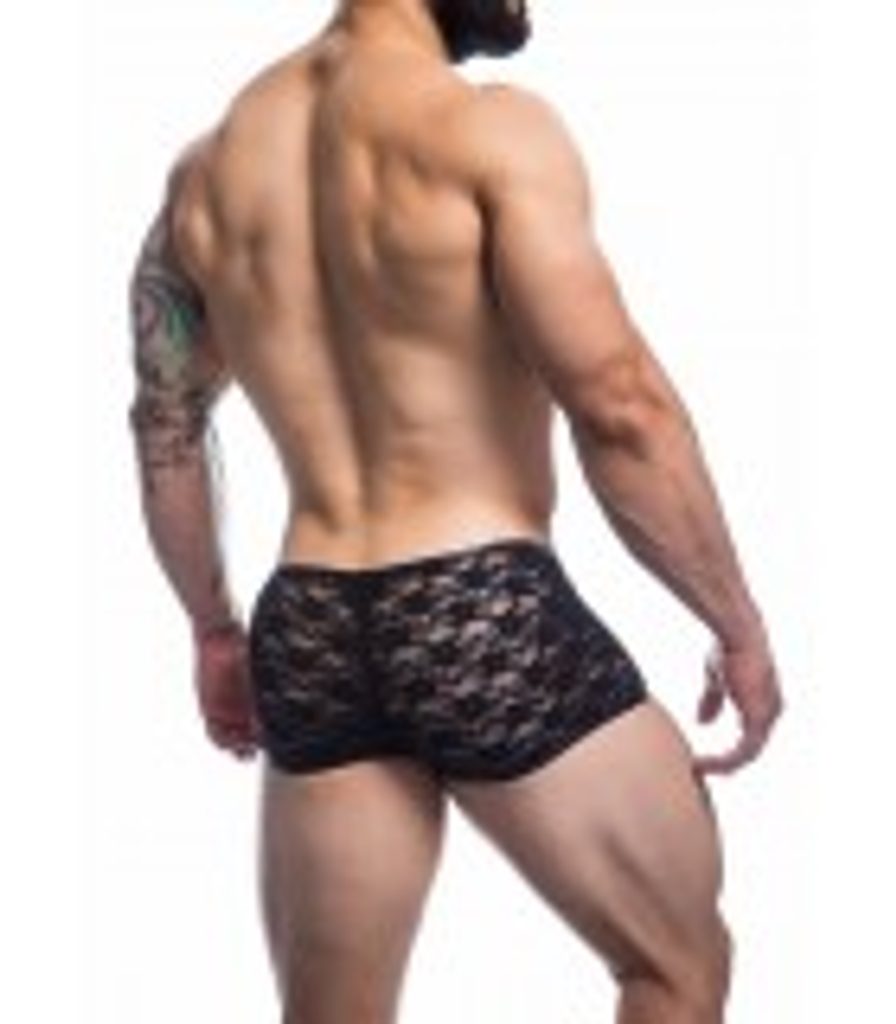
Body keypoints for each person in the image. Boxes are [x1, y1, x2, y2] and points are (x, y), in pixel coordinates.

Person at [126, 1, 784, 1020]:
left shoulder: (206, 174)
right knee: (676, 964)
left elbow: (164, 422)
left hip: (311, 628)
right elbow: (619, 402)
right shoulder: (485, 129)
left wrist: (214, 630)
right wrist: (734, 621)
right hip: (479, 607)